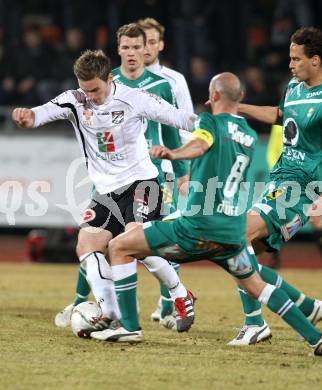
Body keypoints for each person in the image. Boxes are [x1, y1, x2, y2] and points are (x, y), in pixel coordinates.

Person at [90, 72, 322, 357]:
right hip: (230, 232)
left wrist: (174, 154)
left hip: (195, 227)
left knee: (120, 244)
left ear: (213, 97)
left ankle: (129, 325)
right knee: (257, 285)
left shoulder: (208, 121)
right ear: (240, 100)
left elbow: (200, 143)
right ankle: (315, 338)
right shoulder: (249, 136)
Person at [12, 49, 197, 342]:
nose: (91, 96)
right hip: (106, 191)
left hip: (141, 183)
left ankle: (179, 294)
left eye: (96, 89)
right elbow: (41, 114)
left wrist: (214, 121)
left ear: (110, 78)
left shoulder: (133, 98)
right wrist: (27, 117)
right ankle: (109, 313)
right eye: (85, 89)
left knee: (132, 244)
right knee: (87, 245)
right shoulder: (74, 100)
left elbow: (179, 118)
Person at [54, 23, 189, 329]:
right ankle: (88, 303)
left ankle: (169, 301)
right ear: (118, 50)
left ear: (149, 49)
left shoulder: (165, 83)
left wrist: (181, 171)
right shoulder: (101, 80)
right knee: (94, 237)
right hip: (110, 175)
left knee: (138, 241)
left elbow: (173, 130)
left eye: (139, 46)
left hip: (152, 174)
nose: (131, 53)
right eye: (125, 47)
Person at [228, 26, 322, 346]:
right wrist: (238, 108)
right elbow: (280, 115)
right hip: (279, 181)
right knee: (245, 253)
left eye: (297, 59)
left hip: (302, 189)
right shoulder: (294, 86)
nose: (291, 64)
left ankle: (255, 323)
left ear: (316, 60)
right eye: (290, 58)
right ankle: (307, 306)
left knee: (236, 237)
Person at [137, 17, 194, 323]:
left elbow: (186, 124)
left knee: (163, 234)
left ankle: (169, 302)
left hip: (165, 169)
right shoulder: (121, 80)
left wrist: (180, 164)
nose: (145, 48)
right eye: (139, 42)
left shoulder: (173, 80)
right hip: (131, 171)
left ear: (160, 44)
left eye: (150, 41)